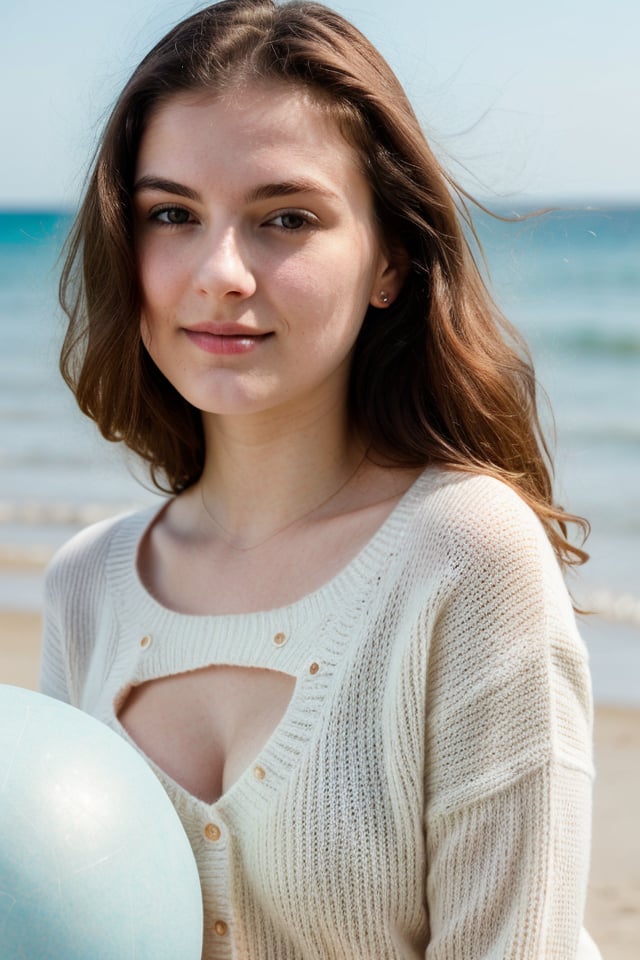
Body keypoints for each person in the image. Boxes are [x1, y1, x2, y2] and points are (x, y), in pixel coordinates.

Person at [41, 1, 601, 956]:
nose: (220, 271)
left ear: (387, 259)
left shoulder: (467, 557)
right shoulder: (84, 588)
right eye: (171, 215)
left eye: (285, 218)